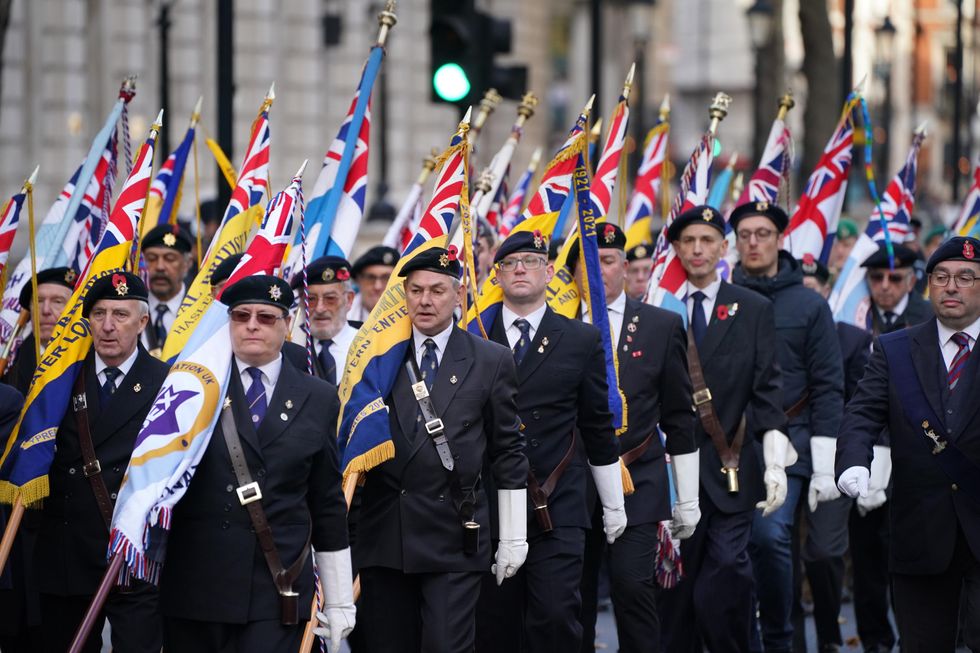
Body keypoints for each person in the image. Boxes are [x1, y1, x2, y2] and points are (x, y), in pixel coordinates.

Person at [160, 275, 355, 653]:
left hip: (275, 587)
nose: (251, 325)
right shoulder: (192, 386)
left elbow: (326, 503)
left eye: (265, 317)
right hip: (198, 584)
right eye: (241, 316)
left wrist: (339, 598)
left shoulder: (318, 397)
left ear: (287, 324)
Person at [353, 246, 528, 653]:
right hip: (387, 532)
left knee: (446, 646)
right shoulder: (378, 357)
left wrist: (513, 535)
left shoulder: (490, 360)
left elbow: (508, 450)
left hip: (454, 531)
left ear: (458, 295)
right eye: (415, 291)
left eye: (436, 290)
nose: (425, 300)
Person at [476, 230, 624, 652]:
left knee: (557, 616)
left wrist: (613, 503)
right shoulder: (474, 334)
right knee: (496, 623)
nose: (519, 269)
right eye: (509, 264)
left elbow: (597, 423)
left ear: (550, 271)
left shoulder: (580, 338)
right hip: (492, 502)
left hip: (557, 503)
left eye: (530, 262)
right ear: (496, 275)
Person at [837, 236, 980, 652]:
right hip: (920, 531)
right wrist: (852, 462)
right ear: (928, 285)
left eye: (966, 278)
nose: (951, 286)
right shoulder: (894, 348)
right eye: (941, 277)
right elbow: (862, 412)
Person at [657, 205, 788, 653]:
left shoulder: (752, 309)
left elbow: (767, 389)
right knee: (676, 592)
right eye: (688, 241)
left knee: (727, 577)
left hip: (731, 472)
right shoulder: (657, 309)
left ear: (724, 248)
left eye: (707, 240)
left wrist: (775, 462)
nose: (697, 250)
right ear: (675, 248)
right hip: (673, 476)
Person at [575, 223, 698, 653]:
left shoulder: (660, 326)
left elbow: (681, 414)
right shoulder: (562, 329)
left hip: (638, 476)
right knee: (575, 596)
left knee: (632, 587)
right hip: (575, 480)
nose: (598, 270)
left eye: (607, 261)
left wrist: (687, 497)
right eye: (588, 263)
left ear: (625, 267)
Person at [730, 202, 845, 653]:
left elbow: (828, 385)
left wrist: (823, 465)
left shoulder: (809, 305)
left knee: (770, 534)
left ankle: (779, 636)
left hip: (792, 442)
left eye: (763, 233)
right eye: (744, 234)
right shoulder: (720, 296)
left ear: (780, 239)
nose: (753, 242)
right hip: (730, 446)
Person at [33, 271, 168, 653]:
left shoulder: (167, 382)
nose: (108, 327)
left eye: (121, 315)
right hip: (66, 554)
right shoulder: (61, 379)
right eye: (99, 314)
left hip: (133, 557)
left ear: (142, 321)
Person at [798, 255, 872, 653]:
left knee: (825, 551)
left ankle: (828, 635)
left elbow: (865, 406)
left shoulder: (852, 339)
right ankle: (787, 638)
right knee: (778, 548)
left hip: (834, 454)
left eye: (815, 291)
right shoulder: (780, 331)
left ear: (827, 292)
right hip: (787, 454)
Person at [3, 267, 77, 392]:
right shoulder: (12, 363)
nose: (45, 310)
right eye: (39, 301)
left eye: (57, 301)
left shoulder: (91, 359)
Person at [289, 256, 359, 384]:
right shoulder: (291, 349)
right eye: (311, 299)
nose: (320, 308)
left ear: (349, 300)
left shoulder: (369, 344)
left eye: (330, 298)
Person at [140, 223, 193, 354]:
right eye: (151, 258)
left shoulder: (199, 310)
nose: (160, 267)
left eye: (170, 258)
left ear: (187, 264)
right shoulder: (133, 307)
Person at [863, 243, 933, 334]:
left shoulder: (931, 318)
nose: (885, 286)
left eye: (895, 278)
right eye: (877, 277)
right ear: (868, 279)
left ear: (911, 282)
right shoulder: (857, 315)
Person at [349, 245, 399, 322]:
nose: (377, 286)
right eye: (370, 277)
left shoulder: (414, 319)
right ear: (358, 280)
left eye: (386, 278)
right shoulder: (342, 317)